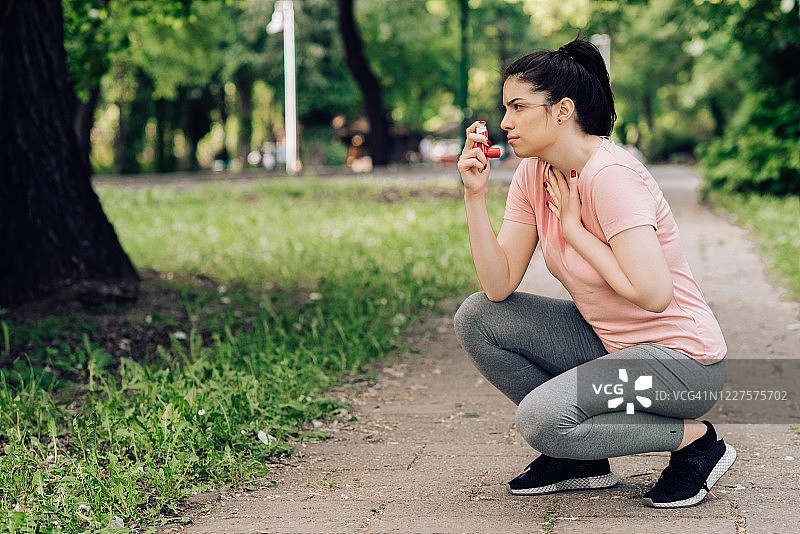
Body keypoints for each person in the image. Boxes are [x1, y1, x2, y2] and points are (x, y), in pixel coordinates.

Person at [454, 36, 735, 508]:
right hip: (613, 347)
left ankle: (697, 443)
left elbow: (653, 294)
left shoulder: (611, 176)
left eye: (518, 107)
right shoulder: (534, 174)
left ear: (562, 111)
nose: (505, 122)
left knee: (541, 421)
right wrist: (474, 195)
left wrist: (574, 230)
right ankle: (579, 459)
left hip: (683, 366)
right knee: (478, 317)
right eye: (505, 108)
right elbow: (497, 285)